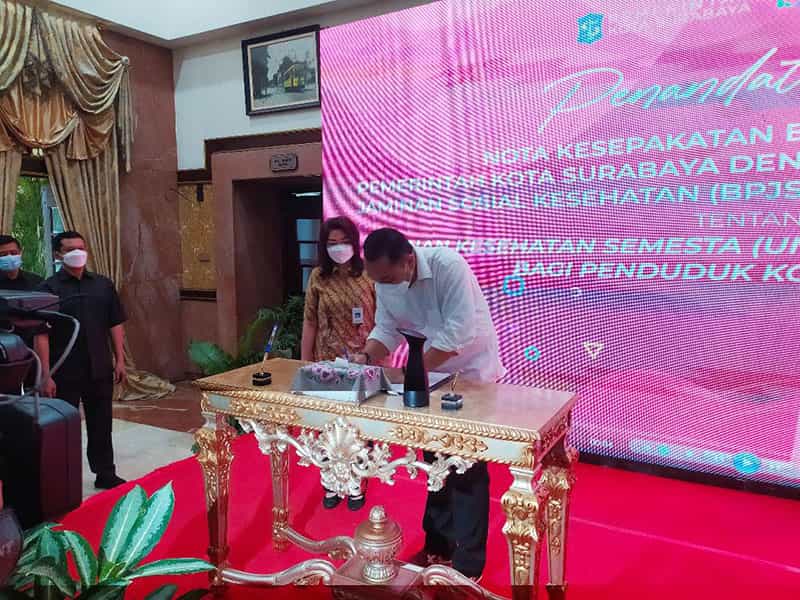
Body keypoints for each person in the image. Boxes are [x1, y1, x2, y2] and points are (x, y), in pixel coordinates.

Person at [352, 227, 503, 581]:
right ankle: (438, 545)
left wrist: (415, 371)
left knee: (466, 467)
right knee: (434, 461)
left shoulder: (448, 266)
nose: (382, 285)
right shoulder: (384, 279)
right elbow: (386, 329)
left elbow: (459, 331)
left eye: (387, 278)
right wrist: (365, 357)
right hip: (430, 377)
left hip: (471, 374)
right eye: (377, 279)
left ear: (408, 261)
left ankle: (468, 566)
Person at [38, 231, 128, 489]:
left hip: (99, 365)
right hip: (64, 369)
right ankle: (62, 480)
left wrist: (120, 359)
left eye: (81, 247)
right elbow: (41, 334)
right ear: (58, 254)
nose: (77, 253)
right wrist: (46, 374)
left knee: (102, 423)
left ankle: (105, 473)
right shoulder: (48, 289)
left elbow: (115, 323)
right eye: (70, 249)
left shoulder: (103, 285)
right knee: (63, 427)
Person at [301, 216, 377, 511]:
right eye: (332, 243)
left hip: (363, 362)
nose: (339, 248)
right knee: (329, 426)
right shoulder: (318, 277)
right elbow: (310, 322)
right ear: (323, 246)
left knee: (358, 428)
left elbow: (384, 320)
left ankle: (357, 485)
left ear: (354, 243)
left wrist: (378, 358)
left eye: (344, 242)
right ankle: (331, 483)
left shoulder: (368, 274)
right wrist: (305, 363)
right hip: (326, 363)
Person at [0, 235, 51, 391]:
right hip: (3, 356)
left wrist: (45, 374)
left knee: (35, 399)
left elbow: (42, 328)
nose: (10, 257)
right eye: (3, 254)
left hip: (33, 352)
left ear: (21, 252)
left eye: (13, 253)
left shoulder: (37, 282)